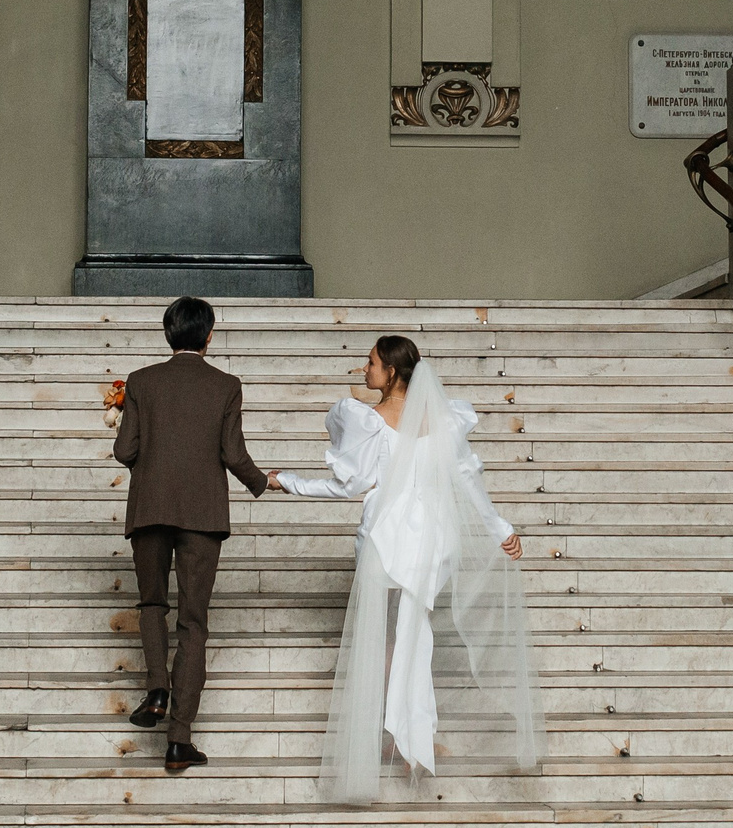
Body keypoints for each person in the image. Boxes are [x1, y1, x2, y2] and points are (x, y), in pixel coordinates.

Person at [270, 336, 543, 801]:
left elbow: (348, 486)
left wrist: (289, 482)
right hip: (432, 539)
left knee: (388, 636)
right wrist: (500, 528)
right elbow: (468, 481)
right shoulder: (443, 420)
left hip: (388, 537)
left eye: (371, 362)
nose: (363, 369)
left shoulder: (370, 422)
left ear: (392, 372)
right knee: (413, 632)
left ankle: (396, 735)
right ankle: (410, 736)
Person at [112, 295, 267, 773]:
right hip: (202, 513)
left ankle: (157, 688)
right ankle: (179, 740)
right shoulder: (226, 385)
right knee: (193, 623)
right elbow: (233, 454)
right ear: (209, 336)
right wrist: (263, 482)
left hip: (150, 508)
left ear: (168, 333)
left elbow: (125, 452)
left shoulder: (140, 381)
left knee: (152, 605)